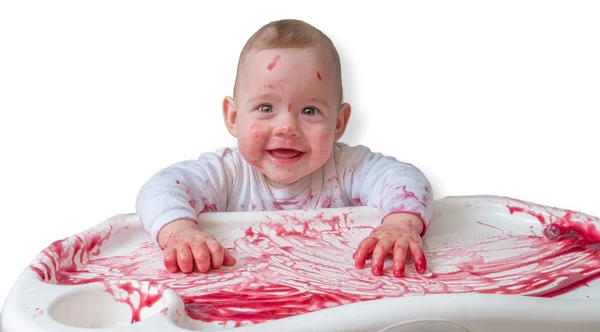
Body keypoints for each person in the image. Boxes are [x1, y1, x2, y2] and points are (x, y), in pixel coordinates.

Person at [135, 19, 433, 278]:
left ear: (339, 122)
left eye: (310, 111)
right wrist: (181, 233)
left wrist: (399, 224)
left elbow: (404, 179)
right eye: (266, 107)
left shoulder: (346, 168)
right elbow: (159, 189)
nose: (286, 127)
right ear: (234, 118)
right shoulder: (227, 175)